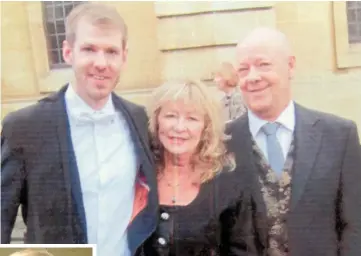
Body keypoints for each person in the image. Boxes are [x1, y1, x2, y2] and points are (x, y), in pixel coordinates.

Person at [1, 3, 158, 256]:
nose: (101, 63)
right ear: (67, 52)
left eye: (111, 51)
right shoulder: (24, 127)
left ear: (124, 57)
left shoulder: (140, 119)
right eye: (89, 49)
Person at [226, 27, 361, 256]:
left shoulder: (339, 135)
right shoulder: (221, 142)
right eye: (243, 69)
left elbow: (355, 224)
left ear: (290, 66)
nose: (253, 77)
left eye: (263, 64)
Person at [134, 80, 258, 255]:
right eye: (170, 116)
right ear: (156, 121)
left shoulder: (228, 186)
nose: (179, 127)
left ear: (205, 127)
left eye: (192, 118)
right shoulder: (138, 176)